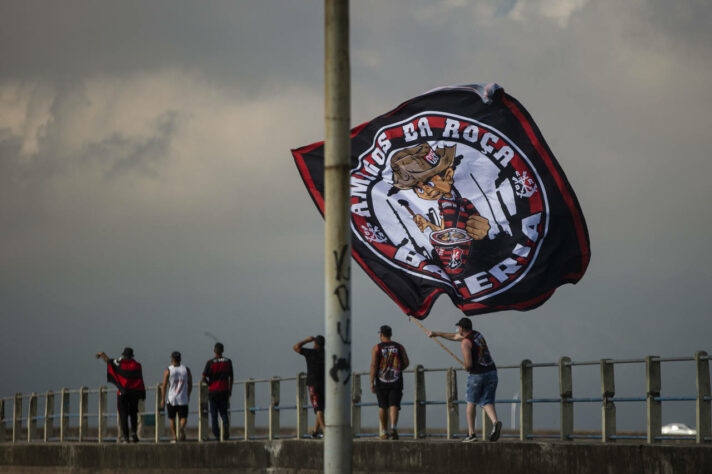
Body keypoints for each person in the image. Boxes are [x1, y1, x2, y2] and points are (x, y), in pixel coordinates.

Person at [429, 318, 502, 442]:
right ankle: (495, 422)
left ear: (462, 328)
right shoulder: (478, 335)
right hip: (492, 372)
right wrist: (436, 334)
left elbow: (468, 364)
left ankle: (471, 433)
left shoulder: (465, 343)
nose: (458, 330)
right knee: (486, 401)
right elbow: (453, 336)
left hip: (477, 375)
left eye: (459, 328)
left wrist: (465, 367)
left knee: (471, 402)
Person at [95, 347, 146, 443]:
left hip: (122, 393)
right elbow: (140, 379)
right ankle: (134, 433)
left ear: (123, 355)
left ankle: (126, 437)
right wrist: (142, 393)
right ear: (132, 356)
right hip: (134, 394)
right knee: (133, 414)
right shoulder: (137, 365)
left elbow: (109, 361)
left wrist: (102, 354)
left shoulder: (119, 364)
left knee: (123, 415)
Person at [370, 325, 409, 440]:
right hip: (396, 380)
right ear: (390, 334)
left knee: (382, 406)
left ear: (381, 334)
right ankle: (393, 428)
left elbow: (373, 365)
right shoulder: (399, 346)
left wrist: (371, 381)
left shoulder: (376, 348)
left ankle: (384, 432)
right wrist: (397, 370)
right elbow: (406, 362)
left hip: (381, 380)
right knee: (394, 404)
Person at [293, 335, 326, 438]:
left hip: (313, 386)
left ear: (315, 344)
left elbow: (296, 347)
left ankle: (326, 432)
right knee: (321, 408)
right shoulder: (327, 354)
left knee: (319, 409)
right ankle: (315, 432)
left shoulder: (310, 353)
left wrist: (306, 340)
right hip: (324, 385)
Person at [202, 342, 233, 441]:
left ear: (214, 351)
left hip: (213, 391)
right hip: (224, 391)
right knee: (224, 413)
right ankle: (226, 429)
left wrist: (209, 384)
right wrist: (230, 389)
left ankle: (217, 435)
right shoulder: (228, 361)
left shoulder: (210, 363)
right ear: (222, 350)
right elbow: (231, 377)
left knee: (214, 415)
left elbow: (203, 377)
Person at [160, 351, 192, 443]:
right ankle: (181, 427)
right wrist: (188, 395)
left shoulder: (168, 370)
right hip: (183, 398)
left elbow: (164, 385)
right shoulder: (186, 369)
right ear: (180, 359)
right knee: (184, 417)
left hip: (172, 398)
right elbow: (190, 384)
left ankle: (174, 436)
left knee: (171, 418)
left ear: (172, 359)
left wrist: (162, 399)